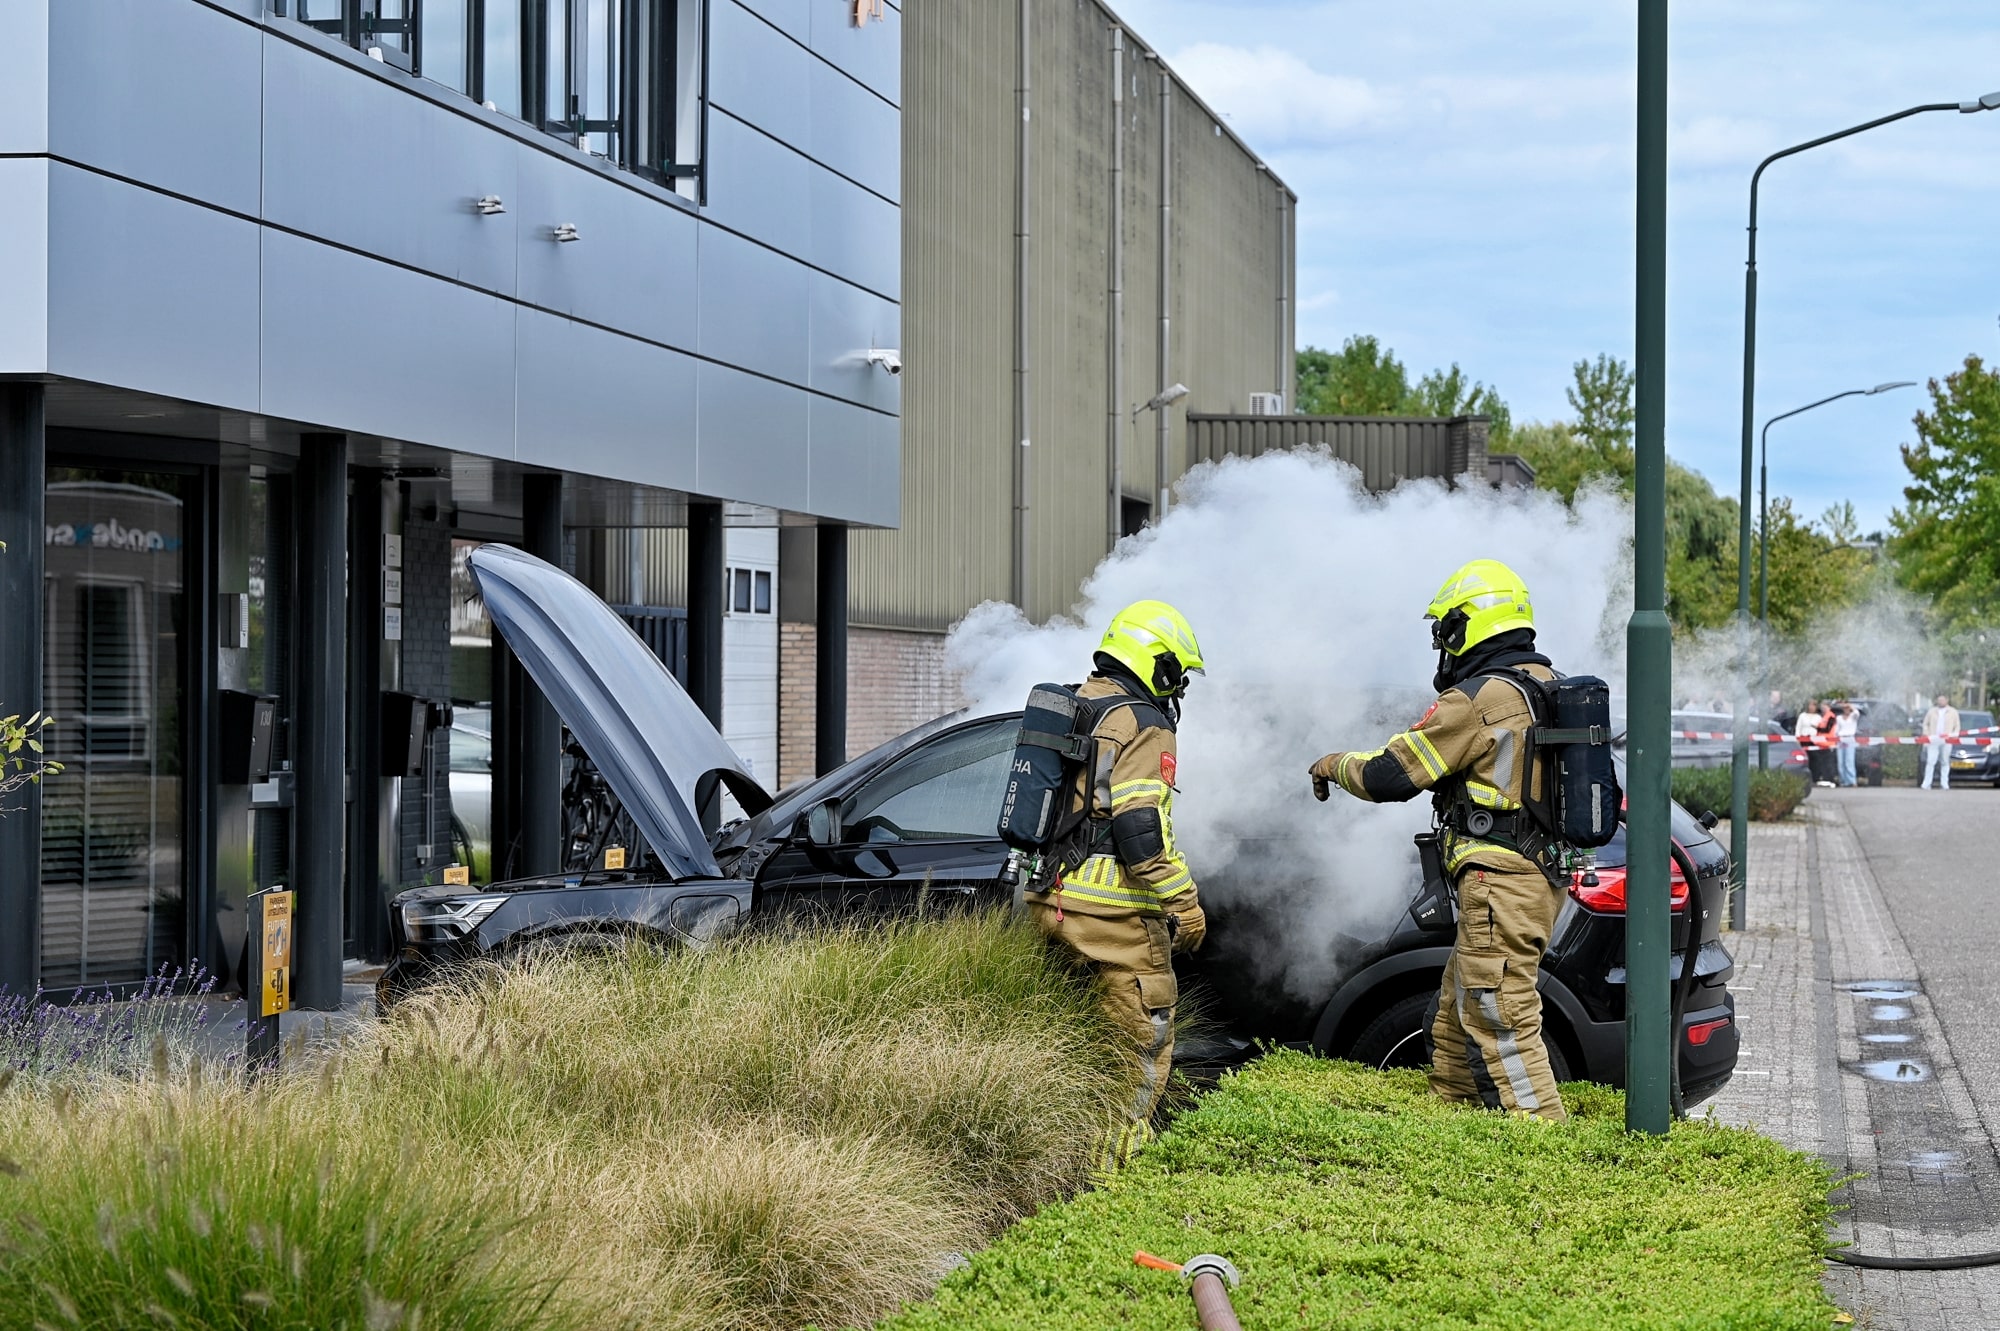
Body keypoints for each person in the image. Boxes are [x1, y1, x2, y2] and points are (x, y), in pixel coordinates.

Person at [1306, 559, 1570, 1122]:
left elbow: (1389, 776)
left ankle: (1549, 1154)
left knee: (1500, 1017)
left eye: (1446, 630)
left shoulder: (1479, 700)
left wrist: (1331, 764)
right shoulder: (1547, 687)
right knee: (1453, 1020)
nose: (1443, 646)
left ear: (1469, 626)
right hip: (1536, 878)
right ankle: (1452, 1127)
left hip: (1501, 884)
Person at [1023, 600, 1208, 1150]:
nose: (1177, 692)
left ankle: (1057, 1164)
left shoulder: (1073, 708)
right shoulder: (1145, 724)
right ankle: (1114, 1169)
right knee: (1138, 1048)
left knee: (1065, 1046)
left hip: (1047, 903)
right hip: (1115, 921)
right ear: (1159, 665)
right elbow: (1140, 832)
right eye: (1178, 676)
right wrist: (1186, 905)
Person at [1921, 694, 1960, 791]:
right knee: (1930, 761)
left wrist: (1953, 736)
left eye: (1942, 700)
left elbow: (1957, 726)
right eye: (1939, 700)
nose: (1940, 702)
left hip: (1947, 740)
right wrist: (1927, 735)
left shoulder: (1953, 712)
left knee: (1945, 762)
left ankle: (1944, 784)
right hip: (1933, 740)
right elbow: (1925, 724)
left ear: (1947, 700)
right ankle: (1926, 784)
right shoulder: (1931, 711)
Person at [1834, 702, 1860, 788]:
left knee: (1849, 760)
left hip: (1850, 739)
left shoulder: (1853, 717)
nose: (1846, 710)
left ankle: (1852, 780)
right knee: (1841, 761)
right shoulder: (1839, 718)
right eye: (1844, 708)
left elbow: (1857, 713)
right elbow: (1836, 730)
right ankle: (1843, 781)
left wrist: (1850, 706)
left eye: (1847, 708)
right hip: (1841, 739)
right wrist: (1835, 739)